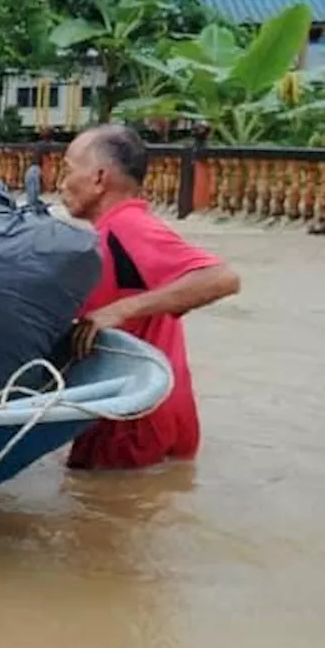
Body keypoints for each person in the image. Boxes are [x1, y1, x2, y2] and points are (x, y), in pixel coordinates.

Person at [58, 124, 240, 470]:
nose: (61, 183)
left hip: (134, 422)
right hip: (148, 409)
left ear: (99, 178)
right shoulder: (111, 232)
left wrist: (120, 310)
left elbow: (221, 278)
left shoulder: (128, 226)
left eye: (68, 170)